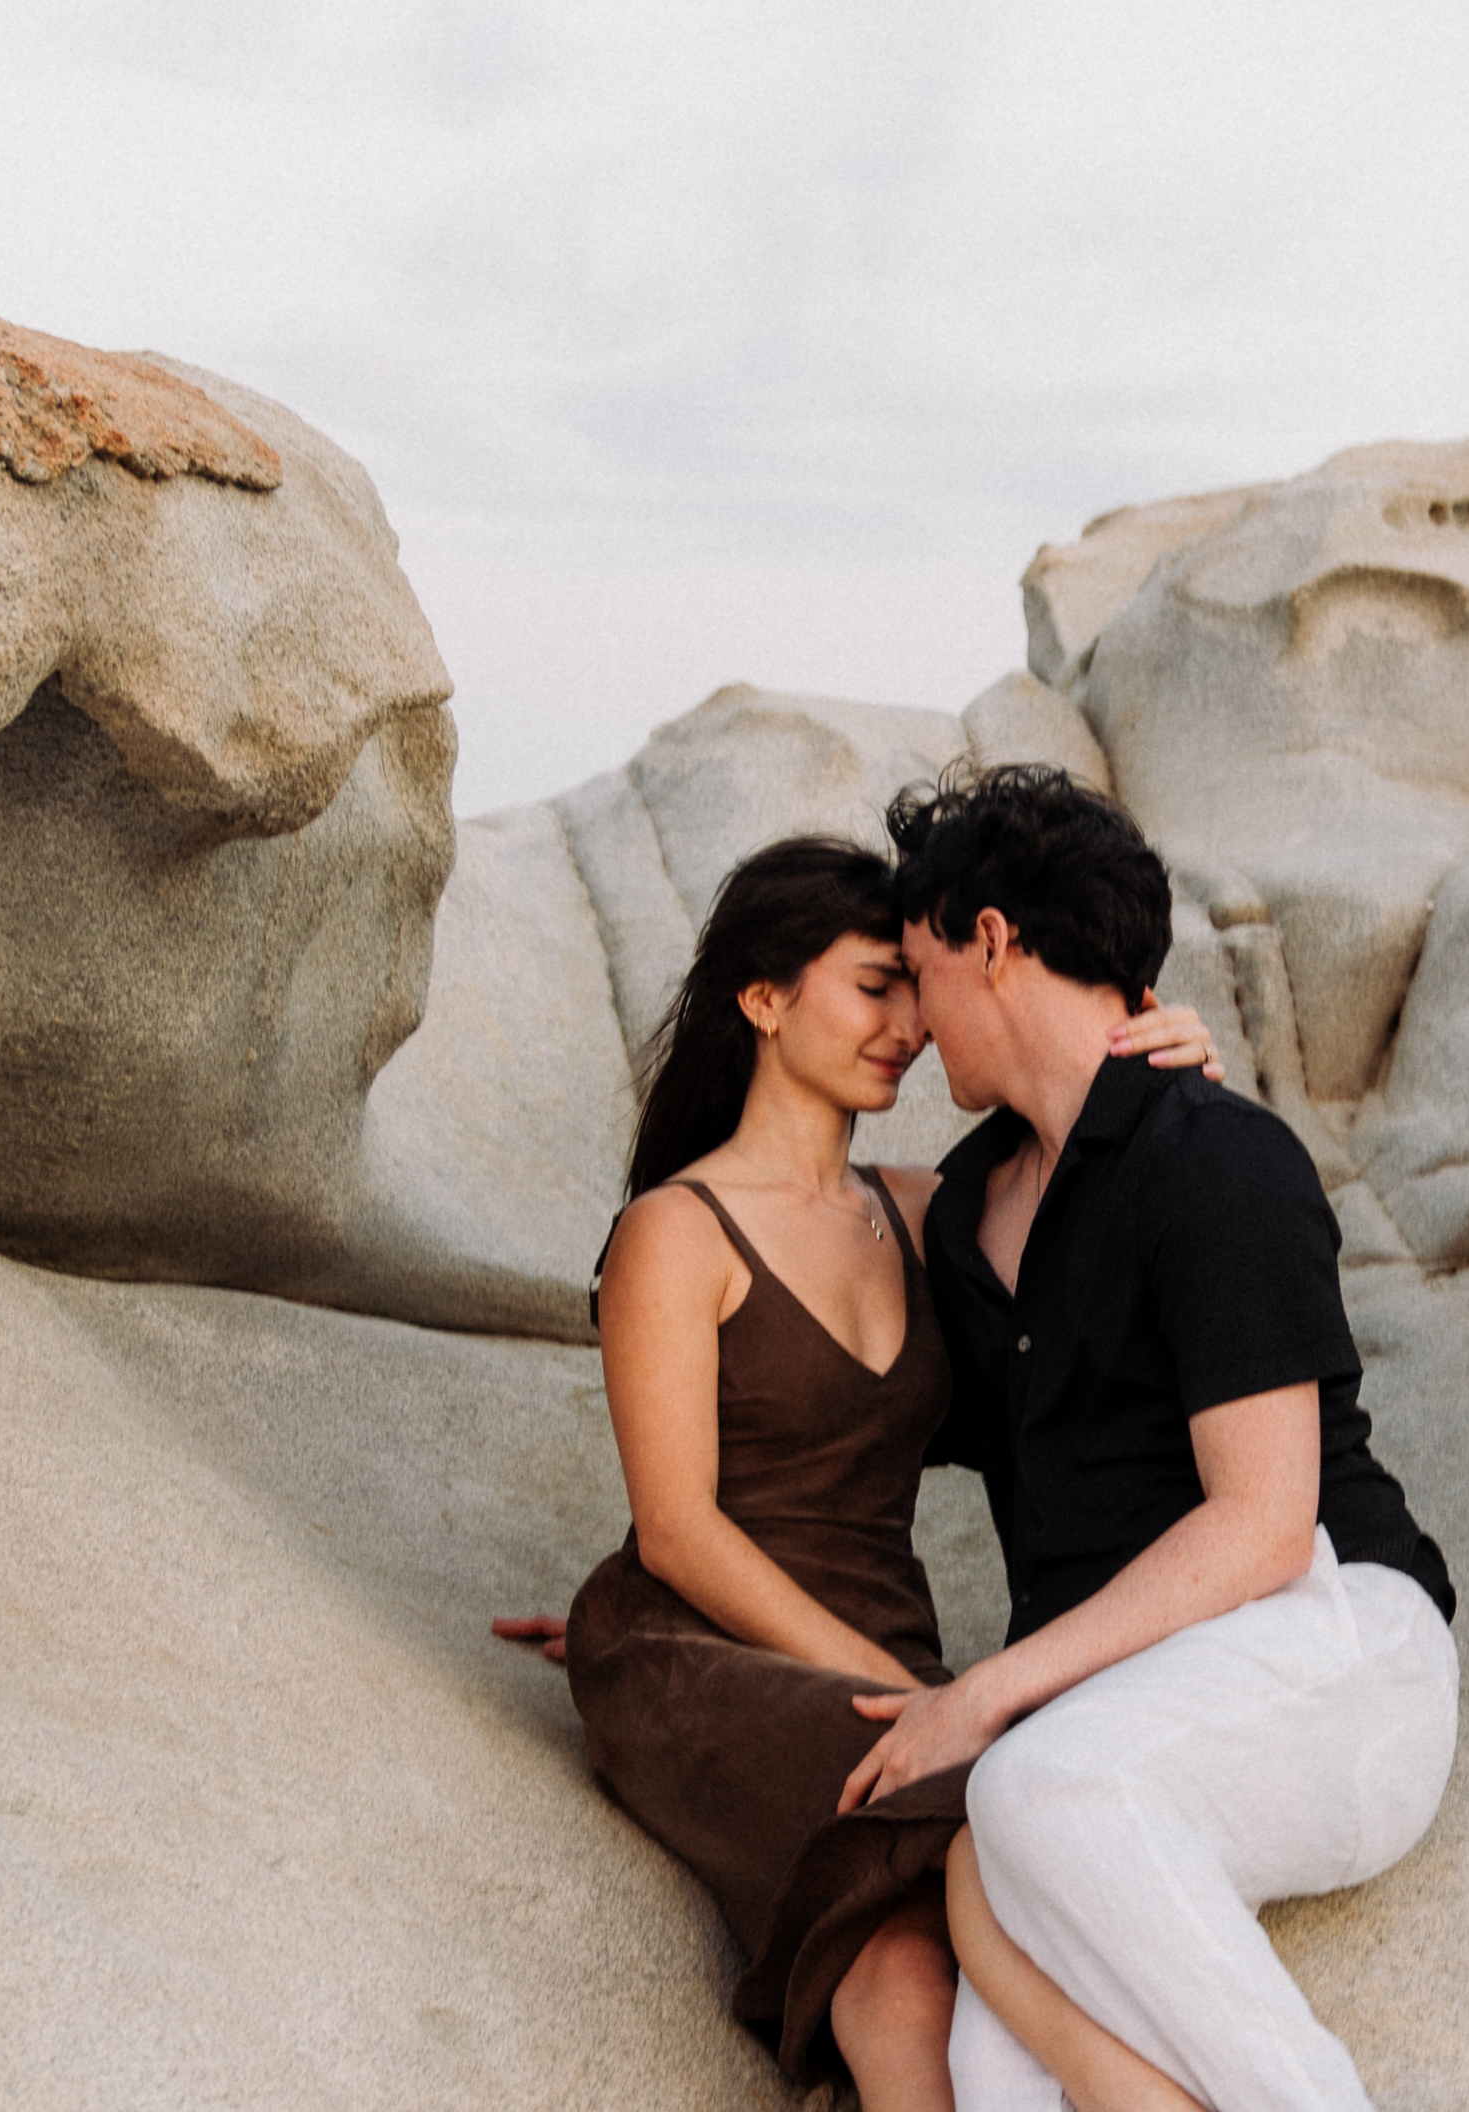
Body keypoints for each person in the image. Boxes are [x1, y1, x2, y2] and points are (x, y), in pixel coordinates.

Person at [499, 836, 1218, 2110]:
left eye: (914, 991)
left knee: (901, 1970)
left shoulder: (919, 1206)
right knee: (1002, 1827)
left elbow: (1106, 1211)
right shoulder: (677, 1231)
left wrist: (1164, 1068)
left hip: (878, 1649)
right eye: (872, 987)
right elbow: (677, 1536)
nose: (910, 1028)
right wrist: (906, 1693)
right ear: (765, 999)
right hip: (710, 1643)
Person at [838, 765, 1460, 2112]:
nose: (915, 1021)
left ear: (992, 943)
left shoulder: (1215, 1157)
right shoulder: (962, 1214)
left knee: (1028, 1790)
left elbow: (1261, 1523)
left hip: (1337, 1648)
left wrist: (985, 1693)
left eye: (922, 970)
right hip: (1129, 1708)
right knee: (996, 2068)